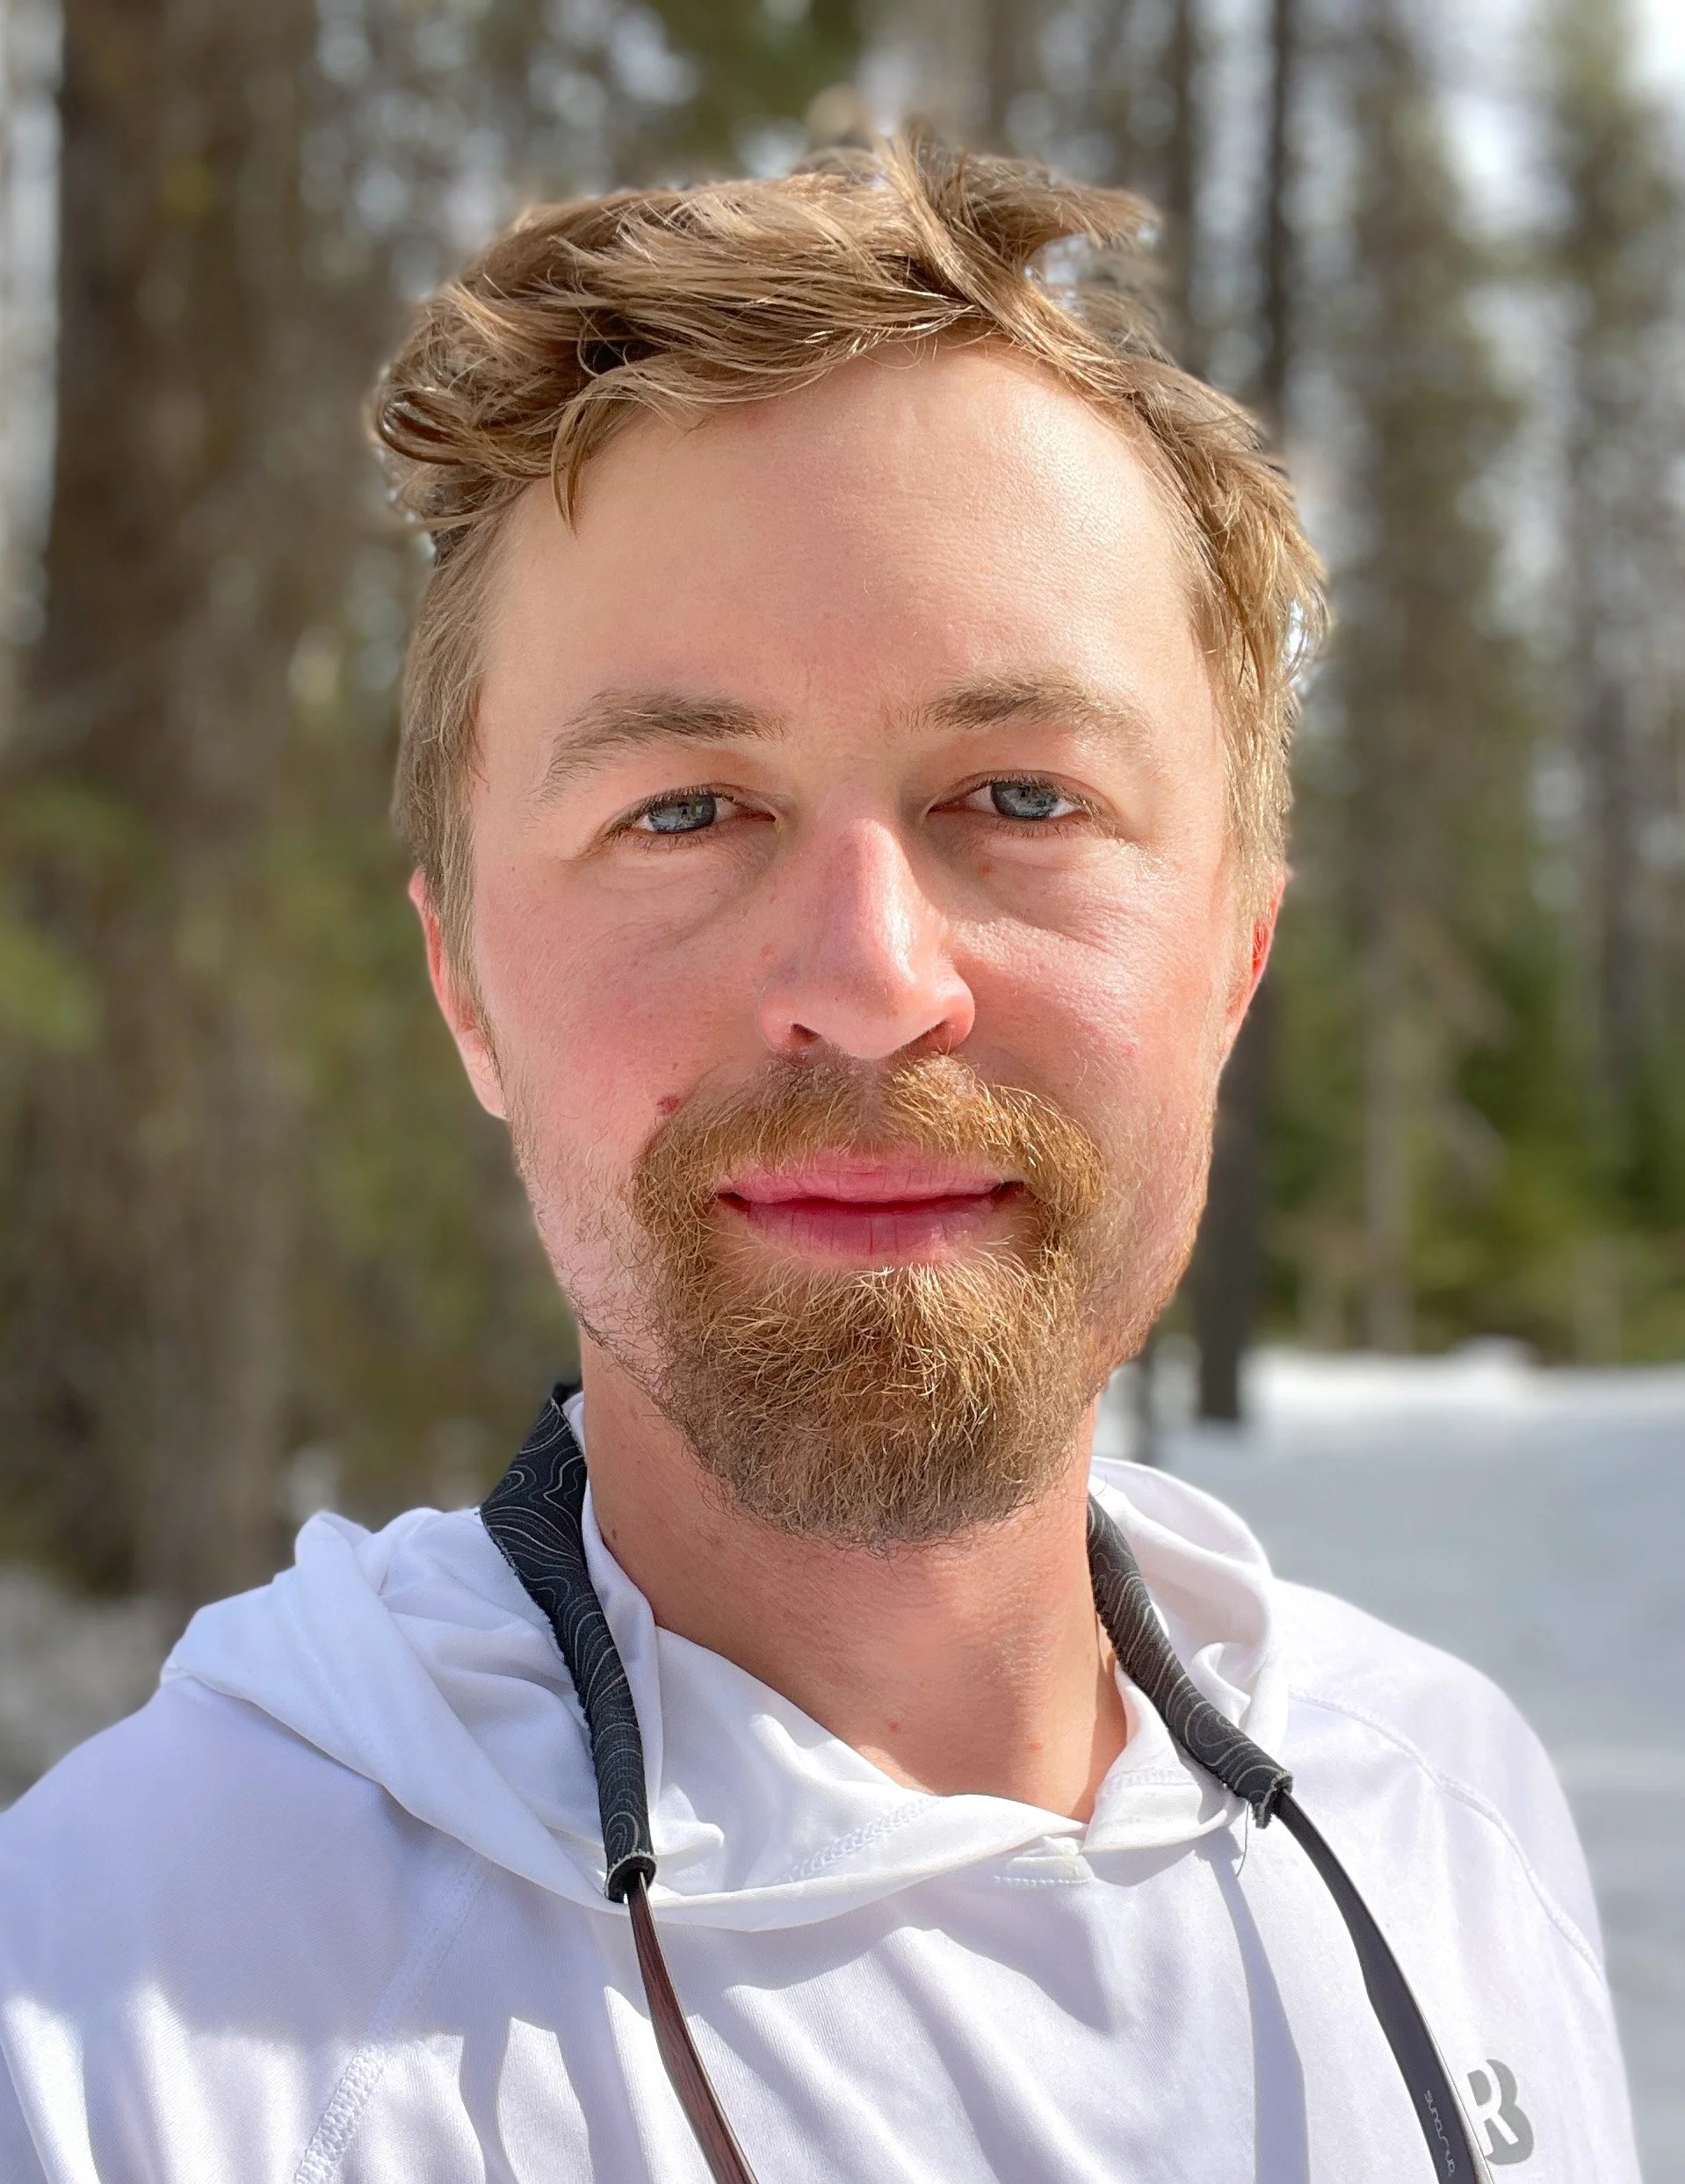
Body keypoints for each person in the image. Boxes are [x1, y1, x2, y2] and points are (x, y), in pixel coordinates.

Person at [0, 138, 1636, 2184]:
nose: (867, 984)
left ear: (1235, 951)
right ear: (467, 989)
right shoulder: (118, 2013)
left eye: (1019, 794)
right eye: (686, 810)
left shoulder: (1436, 1819)